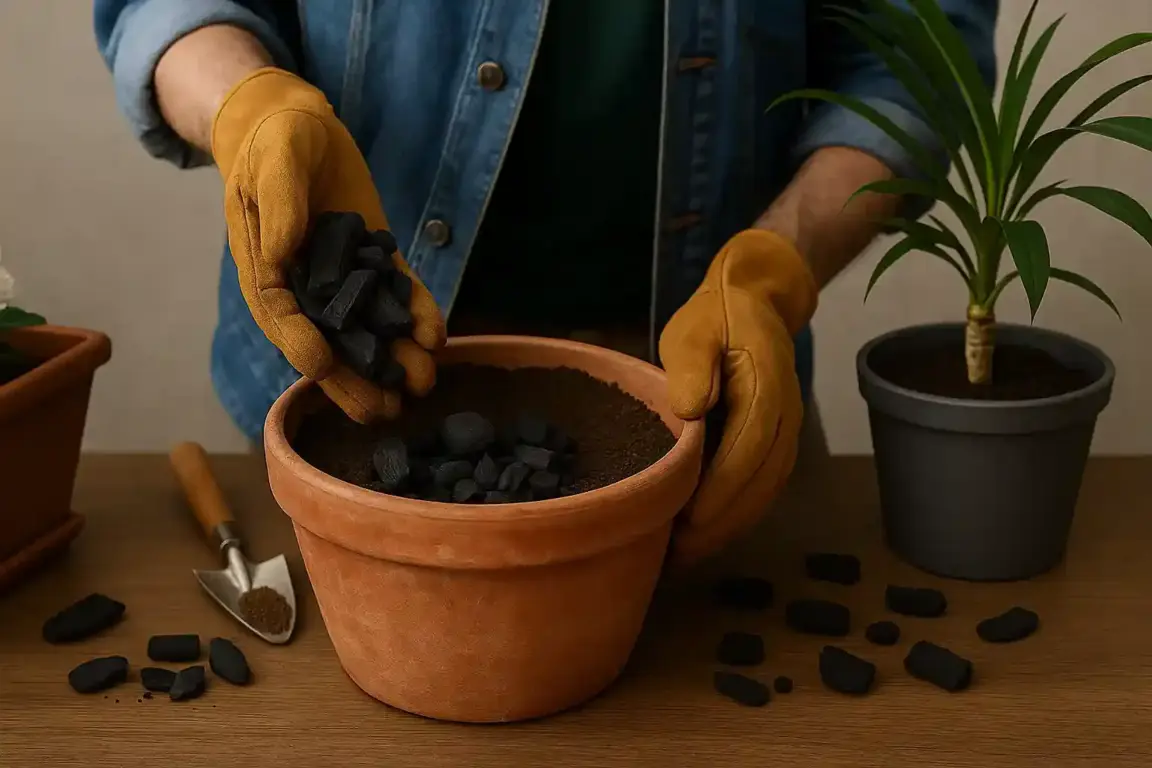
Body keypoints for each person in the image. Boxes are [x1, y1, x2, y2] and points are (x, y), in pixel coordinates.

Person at [93, 0, 997, 564]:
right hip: (334, 399)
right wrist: (248, 105)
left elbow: (918, 59)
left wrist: (778, 267)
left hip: (706, 411)